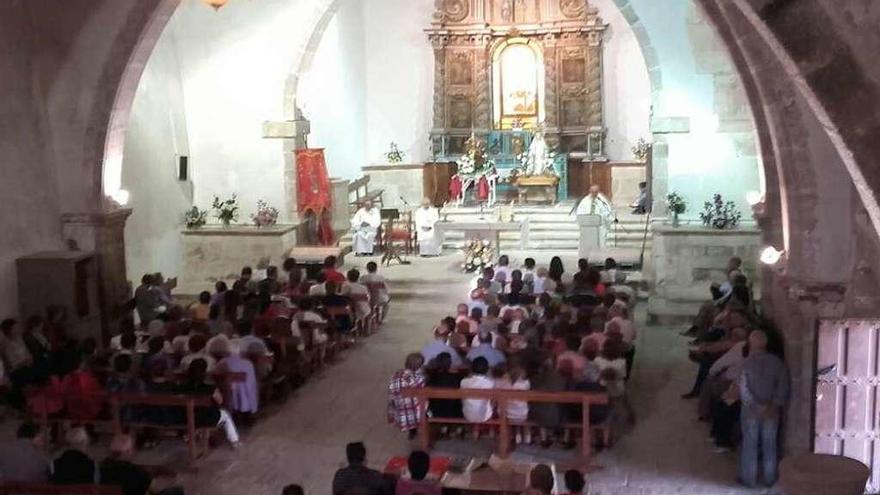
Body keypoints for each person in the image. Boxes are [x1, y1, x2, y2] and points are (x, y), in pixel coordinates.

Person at [739, 330, 789, 489]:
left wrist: (755, 406)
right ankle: (770, 479)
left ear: (751, 343)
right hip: (772, 412)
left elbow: (743, 389)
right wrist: (773, 405)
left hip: (750, 411)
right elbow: (783, 387)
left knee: (750, 444)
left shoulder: (745, 364)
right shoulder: (778, 363)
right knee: (770, 445)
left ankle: (749, 479)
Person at [100, 433, 183, 495]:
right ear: (128, 452)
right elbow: (154, 489)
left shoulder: (99, 468)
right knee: (176, 491)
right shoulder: (135, 472)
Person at [387, 353, 426, 439]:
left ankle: (412, 432)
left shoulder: (395, 375)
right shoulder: (418, 379)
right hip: (414, 413)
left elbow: (391, 395)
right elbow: (423, 392)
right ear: (419, 367)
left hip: (399, 412)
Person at [461, 357, 494, 424]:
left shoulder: (464, 381)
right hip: (485, 416)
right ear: (487, 369)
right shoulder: (490, 382)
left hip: (468, 415)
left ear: (472, 369)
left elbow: (462, 400)